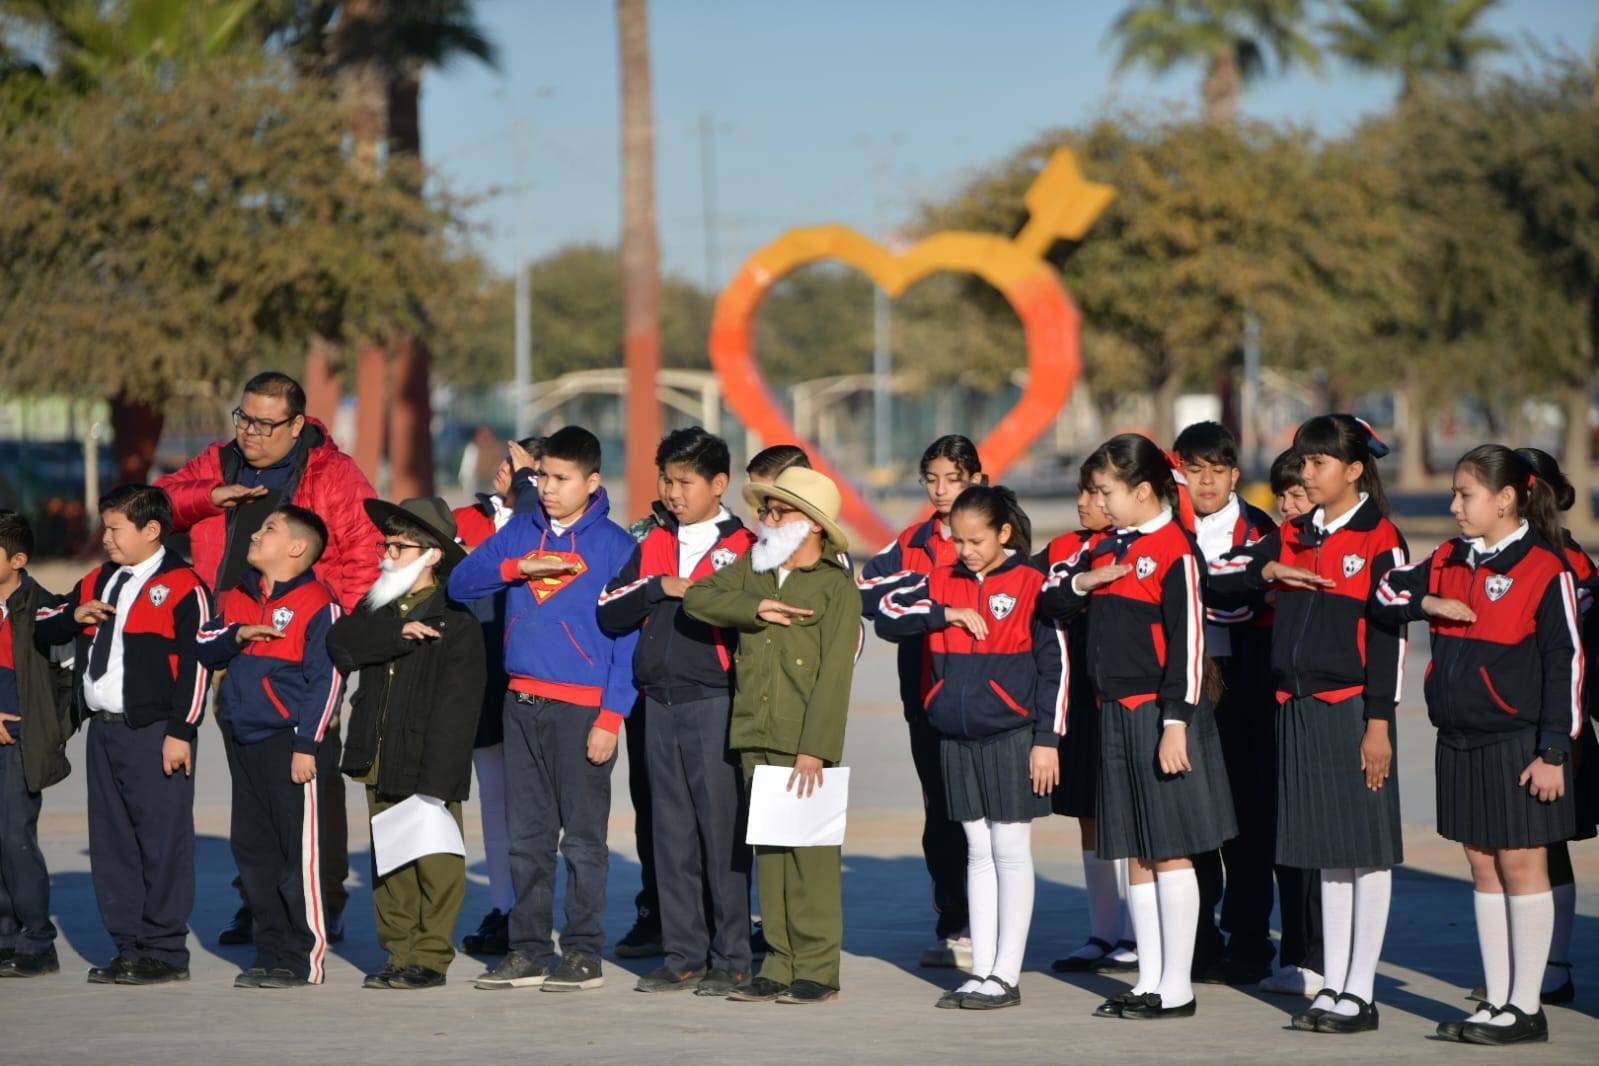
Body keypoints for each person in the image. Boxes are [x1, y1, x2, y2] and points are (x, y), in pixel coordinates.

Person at [157, 371, 377, 945]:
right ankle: (259, 903)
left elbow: (364, 555)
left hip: (303, 642)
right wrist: (210, 496)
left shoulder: (334, 474)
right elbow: (156, 503)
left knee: (310, 779)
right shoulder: (220, 461)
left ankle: (319, 900)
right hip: (232, 634)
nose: (251, 433)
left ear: (297, 424)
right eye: (244, 418)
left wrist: (330, 629)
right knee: (251, 783)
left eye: (265, 424)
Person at [1370, 444, 1577, 1045]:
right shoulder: (1448, 558)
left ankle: (1526, 1006)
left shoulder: (1546, 569)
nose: (1455, 505)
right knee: (1482, 866)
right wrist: (1425, 601)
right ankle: (1498, 998)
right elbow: (1383, 592)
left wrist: (1554, 751)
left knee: (1520, 863)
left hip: (1519, 741)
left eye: (1466, 494)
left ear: (1506, 499)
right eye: (1456, 494)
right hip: (1458, 737)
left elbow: (1567, 665)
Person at [1209, 414, 1408, 1034]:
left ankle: (1361, 990)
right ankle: (1332, 982)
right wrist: (1267, 571)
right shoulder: (1292, 532)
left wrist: (1377, 722)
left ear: (1354, 470)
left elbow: (1389, 640)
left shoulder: (1381, 538)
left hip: (1351, 709)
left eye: (1320, 463)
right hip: (1293, 708)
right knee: (1326, 854)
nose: (1306, 473)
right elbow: (1217, 578)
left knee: (1363, 853)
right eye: (1303, 462)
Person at [1039, 434, 1236, 1021]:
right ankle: (1149, 978)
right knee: (1136, 857)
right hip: (1113, 716)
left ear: (1143, 490)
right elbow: (1049, 602)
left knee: (1170, 851)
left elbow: (1190, 646)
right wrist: (1082, 585)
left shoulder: (1176, 549)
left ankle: (1176, 986)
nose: (1096, 500)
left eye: (1106, 490)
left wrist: (1176, 721)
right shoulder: (1104, 548)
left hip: (1160, 714)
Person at [448, 426, 638, 994]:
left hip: (582, 712)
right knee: (526, 837)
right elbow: (461, 582)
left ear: (592, 481)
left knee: (582, 840)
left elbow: (628, 640)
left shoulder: (614, 546)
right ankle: (528, 949)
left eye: (561, 479)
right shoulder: (522, 532)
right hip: (520, 703)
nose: (548, 489)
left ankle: (582, 953)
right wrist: (514, 569)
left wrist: (611, 717)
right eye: (542, 477)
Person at [877, 485, 1065, 1010]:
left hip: (1011, 733)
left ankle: (1007, 973)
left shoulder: (1032, 583)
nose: (965, 550)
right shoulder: (938, 580)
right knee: (977, 852)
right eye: (957, 541)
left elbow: (1055, 668)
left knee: (1009, 849)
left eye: (976, 540)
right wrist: (945, 615)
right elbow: (886, 614)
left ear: (1004, 534)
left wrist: (1046, 741)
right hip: (953, 733)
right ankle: (981, 969)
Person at [683, 466, 861, 1004]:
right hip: (753, 731)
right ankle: (780, 963)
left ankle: (817, 968)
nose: (766, 520)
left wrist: (815, 749)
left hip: (801, 738)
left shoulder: (834, 587)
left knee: (811, 856)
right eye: (766, 511)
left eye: (778, 512)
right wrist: (753, 607)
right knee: (772, 851)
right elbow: (698, 597)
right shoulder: (754, 570)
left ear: (810, 524)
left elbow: (835, 677)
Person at [598, 427, 757, 996]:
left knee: (723, 836)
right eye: (666, 479)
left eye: (685, 481)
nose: (673, 492)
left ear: (719, 484)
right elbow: (608, 610)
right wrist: (658, 585)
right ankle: (682, 952)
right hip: (655, 704)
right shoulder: (652, 544)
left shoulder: (746, 549)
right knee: (669, 835)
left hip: (715, 702)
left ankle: (733, 955)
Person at [35, 485, 211, 985]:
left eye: (115, 528)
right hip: (105, 731)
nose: (106, 538)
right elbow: (45, 623)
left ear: (151, 529)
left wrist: (181, 731)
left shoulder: (183, 585)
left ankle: (165, 950)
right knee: (113, 842)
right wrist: (73, 615)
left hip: (156, 732)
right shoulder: (96, 579)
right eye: (105, 527)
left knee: (161, 841)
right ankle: (129, 945)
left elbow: (197, 666)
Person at [328, 497, 486, 991]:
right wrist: (397, 633)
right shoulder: (376, 607)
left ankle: (431, 957)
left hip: (428, 762)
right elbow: (341, 643)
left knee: (435, 863)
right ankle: (397, 953)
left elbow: (460, 708)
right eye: (387, 544)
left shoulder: (457, 619)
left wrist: (441, 777)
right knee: (390, 861)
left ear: (432, 555)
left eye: (399, 546)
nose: (386, 554)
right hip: (376, 754)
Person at [197, 505, 342, 989]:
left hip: (291, 746)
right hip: (244, 740)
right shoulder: (240, 593)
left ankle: (300, 958)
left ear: (297, 548)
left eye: (270, 529)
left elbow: (327, 681)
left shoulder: (319, 603)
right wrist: (237, 634)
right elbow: (205, 644)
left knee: (294, 857)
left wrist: (307, 745)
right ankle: (269, 949)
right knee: (253, 852)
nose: (256, 534)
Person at [857, 435, 981, 970]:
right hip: (925, 694)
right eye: (931, 479)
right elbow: (866, 594)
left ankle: (991, 921)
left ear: (976, 479)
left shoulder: (1003, 529)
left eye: (953, 479)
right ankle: (953, 921)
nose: (941, 490)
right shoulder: (909, 541)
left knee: (986, 815)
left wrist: (912, 597)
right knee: (941, 814)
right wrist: (925, 596)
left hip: (988, 696)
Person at [1173, 422, 1280, 985]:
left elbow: (1247, 599)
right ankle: (1196, 937)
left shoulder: (1261, 528)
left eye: (1217, 470)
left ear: (1235, 474)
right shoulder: (1165, 526)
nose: (1206, 482)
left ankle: (1248, 938)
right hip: (1186, 683)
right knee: (1191, 815)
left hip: (1242, 681)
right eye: (1195, 470)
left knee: (1246, 816)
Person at [1033, 470, 1136, 975]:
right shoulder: (1061, 549)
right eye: (1082, 491)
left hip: (1131, 701)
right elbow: (1035, 593)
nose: (1083, 502)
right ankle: (1103, 933)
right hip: (1077, 700)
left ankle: (1142, 935)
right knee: (1088, 815)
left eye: (1096, 493)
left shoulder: (1145, 545)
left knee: (1134, 816)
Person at [453, 437, 542, 957]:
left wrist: (531, 490)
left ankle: (530, 910)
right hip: (480, 678)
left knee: (533, 804)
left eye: (525, 469)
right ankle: (505, 906)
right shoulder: (465, 520)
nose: (508, 472)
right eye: (510, 463)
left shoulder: (545, 523)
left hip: (534, 681)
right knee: (494, 799)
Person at [1512, 447, 1592, 1006]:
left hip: (1558, 726)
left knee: (1550, 844)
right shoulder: (1500, 554)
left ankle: (1554, 967)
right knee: (1514, 847)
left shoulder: (1567, 561)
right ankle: (1521, 971)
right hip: (1505, 724)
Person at [1259, 447, 1323, 997]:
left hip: (1322, 706)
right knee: (1286, 838)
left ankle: (1321, 955)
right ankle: (1296, 949)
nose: (1287, 505)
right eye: (1281, 494)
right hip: (1275, 703)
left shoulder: (1329, 545)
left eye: (1299, 493)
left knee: (1321, 843)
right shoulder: (1276, 542)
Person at [0, 511, 75, 978]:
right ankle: (4, 935)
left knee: (14, 838)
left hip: (17, 746)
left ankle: (36, 940)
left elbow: (68, 686)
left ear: (18, 559)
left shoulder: (46, 610)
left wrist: (34, 731)